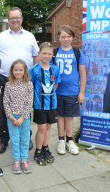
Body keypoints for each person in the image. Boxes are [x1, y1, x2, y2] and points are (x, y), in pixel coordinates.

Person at [0, 6, 39, 153]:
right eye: (11, 18)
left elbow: (36, 57)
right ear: (8, 19)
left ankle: (26, 137)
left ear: (21, 19)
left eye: (17, 17)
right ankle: (4, 139)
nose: (14, 20)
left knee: (25, 106)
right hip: (5, 78)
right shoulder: (1, 36)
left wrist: (33, 76)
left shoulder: (30, 36)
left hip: (25, 80)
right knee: (4, 108)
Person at [52, 25, 86, 155]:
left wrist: (81, 92)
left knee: (69, 117)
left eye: (68, 36)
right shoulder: (54, 52)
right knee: (60, 116)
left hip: (72, 91)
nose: (66, 39)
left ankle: (69, 140)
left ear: (72, 38)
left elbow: (82, 73)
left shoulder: (77, 52)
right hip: (57, 91)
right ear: (59, 37)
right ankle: (61, 140)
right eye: (63, 36)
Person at [29, 42, 61, 165]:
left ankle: (45, 148)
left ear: (52, 55)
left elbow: (56, 84)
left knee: (48, 127)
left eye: (49, 54)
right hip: (39, 105)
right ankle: (38, 151)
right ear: (39, 53)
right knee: (41, 128)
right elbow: (30, 86)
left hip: (52, 104)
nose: (47, 56)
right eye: (44, 53)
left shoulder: (55, 69)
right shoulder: (34, 69)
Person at [3, 59, 34, 174]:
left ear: (24, 71)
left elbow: (29, 102)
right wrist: (11, 117)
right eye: (15, 70)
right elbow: (5, 102)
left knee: (25, 139)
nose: (18, 72)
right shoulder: (8, 84)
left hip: (24, 117)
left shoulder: (29, 84)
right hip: (11, 117)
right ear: (12, 71)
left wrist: (22, 117)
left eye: (20, 70)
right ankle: (16, 161)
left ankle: (24, 160)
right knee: (15, 140)